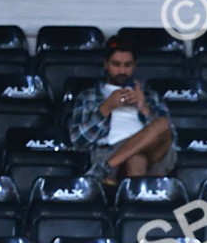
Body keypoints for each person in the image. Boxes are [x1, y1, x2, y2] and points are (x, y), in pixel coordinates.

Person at [69, 36, 177, 186]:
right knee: (137, 160)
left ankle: (106, 169)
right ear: (106, 64)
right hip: (110, 150)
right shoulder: (89, 96)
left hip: (153, 153)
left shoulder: (150, 96)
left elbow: (171, 138)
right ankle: (135, 206)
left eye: (127, 65)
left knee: (162, 123)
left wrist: (144, 107)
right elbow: (78, 141)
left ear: (135, 65)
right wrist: (106, 107)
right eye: (116, 64)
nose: (122, 70)